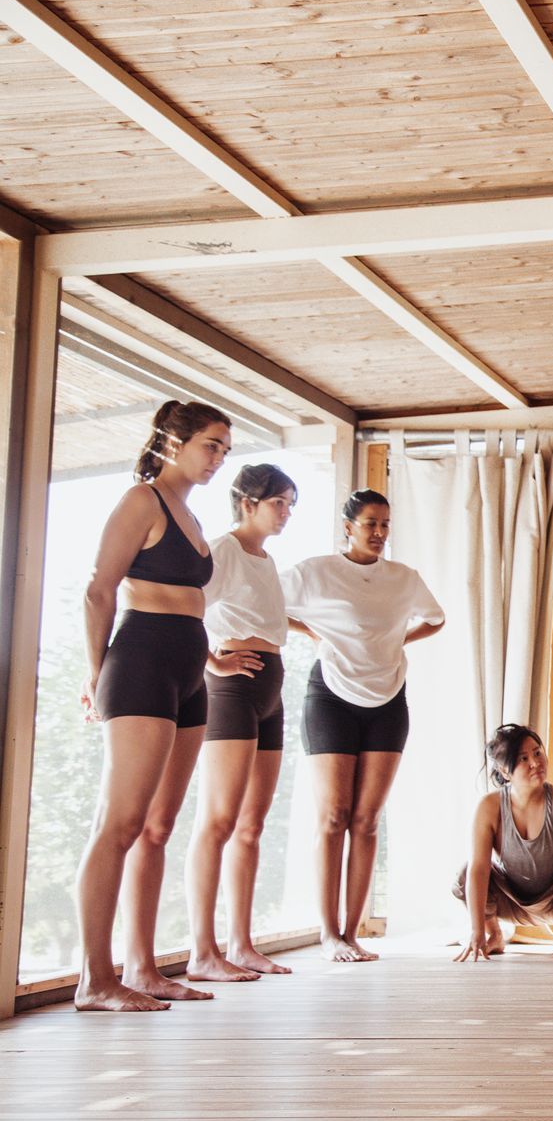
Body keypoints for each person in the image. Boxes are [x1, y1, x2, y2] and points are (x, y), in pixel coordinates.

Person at [74, 401, 233, 1011]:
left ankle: (141, 968)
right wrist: (95, 673)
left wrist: (211, 661)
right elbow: (97, 589)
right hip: (138, 665)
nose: (218, 458)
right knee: (119, 824)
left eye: (224, 449)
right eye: (211, 445)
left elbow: (191, 602)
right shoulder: (143, 500)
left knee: (158, 827)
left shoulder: (190, 514)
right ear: (174, 441)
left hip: (187, 670)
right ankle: (95, 979)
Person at [283, 489, 445, 962]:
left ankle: (352, 933)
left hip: (388, 700)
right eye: (370, 523)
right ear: (348, 527)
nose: (379, 533)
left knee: (367, 821)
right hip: (330, 697)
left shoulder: (402, 578)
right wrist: (311, 630)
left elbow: (436, 619)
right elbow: (265, 600)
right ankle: (327, 933)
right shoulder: (317, 572)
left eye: (385, 524)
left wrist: (397, 640)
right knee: (333, 816)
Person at [185, 463, 298, 982]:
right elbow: (189, 608)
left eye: (290, 504)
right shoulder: (223, 550)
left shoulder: (265, 558)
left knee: (251, 827)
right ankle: (202, 953)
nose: (287, 513)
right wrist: (214, 662)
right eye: (279, 502)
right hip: (232, 688)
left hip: (268, 687)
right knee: (218, 821)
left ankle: (242, 944)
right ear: (247, 503)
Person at [453, 725, 553, 962]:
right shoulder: (489, 806)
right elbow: (479, 869)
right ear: (505, 771)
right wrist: (476, 932)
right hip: (510, 899)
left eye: (537, 753)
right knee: (465, 875)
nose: (536, 763)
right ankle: (493, 933)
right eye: (523, 759)